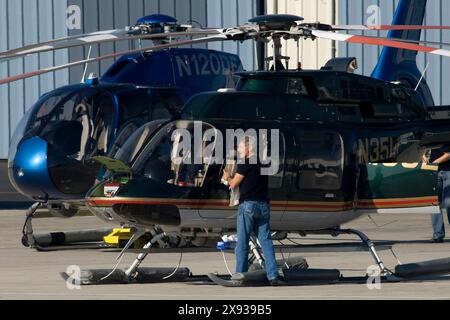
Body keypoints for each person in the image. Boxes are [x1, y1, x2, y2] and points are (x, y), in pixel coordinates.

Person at [222, 136, 282, 286]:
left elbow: (234, 183)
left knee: (242, 243)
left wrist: (227, 177)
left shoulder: (245, 163)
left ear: (249, 148)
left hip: (248, 206)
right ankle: (273, 276)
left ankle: (239, 276)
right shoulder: (263, 163)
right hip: (263, 206)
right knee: (266, 241)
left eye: (241, 147)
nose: (239, 150)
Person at [423, 148, 450, 243]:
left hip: (448, 170)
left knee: (448, 203)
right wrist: (423, 156)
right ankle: (438, 234)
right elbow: (424, 149)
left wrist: (435, 162)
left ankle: (438, 234)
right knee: (434, 203)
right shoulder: (430, 135)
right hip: (433, 171)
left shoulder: (444, 134)